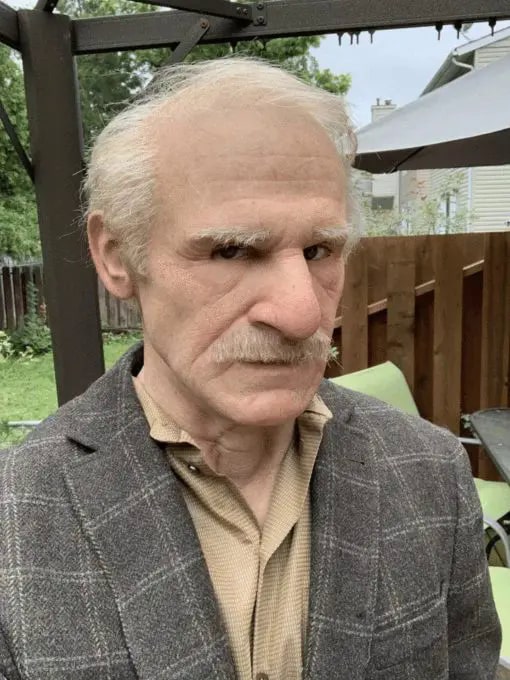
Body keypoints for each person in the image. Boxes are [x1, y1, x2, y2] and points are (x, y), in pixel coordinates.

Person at [0, 57, 501, 680]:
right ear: (117, 255)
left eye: (319, 249)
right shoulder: (17, 514)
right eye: (232, 250)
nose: (302, 313)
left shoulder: (428, 471)